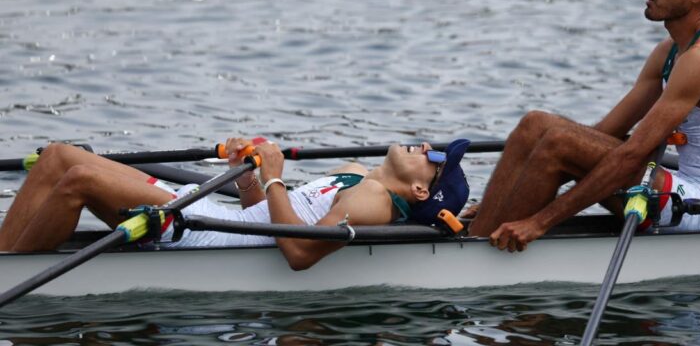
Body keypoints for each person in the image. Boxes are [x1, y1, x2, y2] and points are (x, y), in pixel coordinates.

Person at [468, 0, 700, 251]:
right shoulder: (669, 52)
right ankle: (480, 234)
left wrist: (540, 221)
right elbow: (604, 134)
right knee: (536, 125)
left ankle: (481, 252)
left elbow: (631, 155)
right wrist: (511, 193)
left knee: (558, 143)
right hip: (681, 190)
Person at [0, 138, 470, 270]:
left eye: (434, 159)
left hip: (201, 236)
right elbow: (260, 214)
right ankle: (7, 258)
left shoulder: (373, 200)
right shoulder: (359, 174)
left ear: (422, 191)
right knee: (60, 155)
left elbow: (299, 254)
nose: (425, 146)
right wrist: (249, 170)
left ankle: (13, 273)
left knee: (78, 178)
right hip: (217, 217)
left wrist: (273, 180)